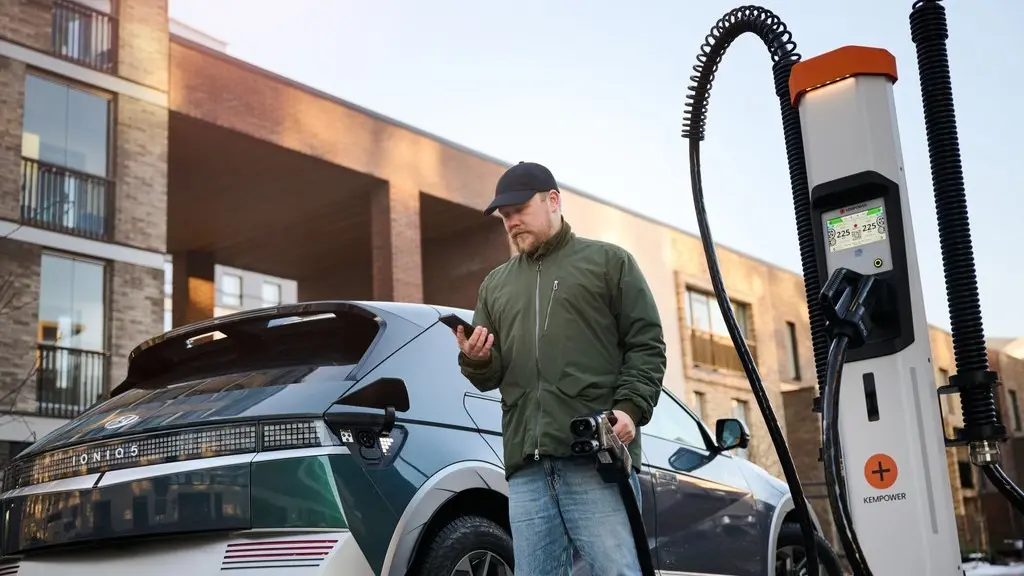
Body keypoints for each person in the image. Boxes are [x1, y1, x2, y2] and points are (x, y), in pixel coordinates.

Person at [455, 161, 667, 576]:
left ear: (553, 200)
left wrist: (630, 407)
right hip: (527, 470)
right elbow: (490, 375)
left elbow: (646, 344)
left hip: (595, 460)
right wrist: (476, 359)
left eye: (519, 210)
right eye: (505, 216)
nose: (512, 222)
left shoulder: (609, 263)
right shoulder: (495, 285)